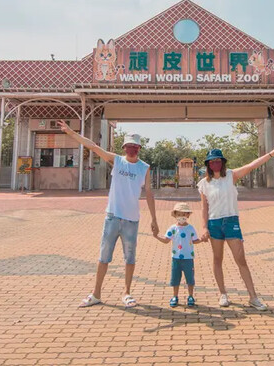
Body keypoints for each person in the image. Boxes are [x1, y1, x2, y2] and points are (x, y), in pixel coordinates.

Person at [56, 120, 159, 308]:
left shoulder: (144, 167)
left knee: (130, 258)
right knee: (103, 257)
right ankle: (96, 293)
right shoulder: (117, 161)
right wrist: (71, 132)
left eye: (134, 147)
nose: (131, 150)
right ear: (124, 148)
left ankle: (127, 293)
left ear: (139, 148)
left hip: (131, 220)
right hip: (112, 216)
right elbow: (93, 146)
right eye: (128, 147)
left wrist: (154, 219)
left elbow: (149, 193)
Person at [197, 143, 274, 311]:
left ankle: (253, 297)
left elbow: (252, 165)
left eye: (218, 160)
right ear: (208, 164)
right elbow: (204, 207)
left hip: (231, 221)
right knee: (217, 259)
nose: (215, 163)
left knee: (240, 259)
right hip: (214, 223)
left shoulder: (231, 175)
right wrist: (204, 227)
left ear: (222, 162)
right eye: (212, 161)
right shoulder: (203, 184)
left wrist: (271, 154)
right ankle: (223, 294)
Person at [153, 202, 204, 307]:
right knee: (175, 278)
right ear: (175, 215)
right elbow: (166, 240)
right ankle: (175, 296)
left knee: (190, 278)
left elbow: (195, 240)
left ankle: (190, 296)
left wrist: (202, 240)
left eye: (184, 214)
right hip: (176, 258)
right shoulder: (172, 228)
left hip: (188, 258)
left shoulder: (190, 228)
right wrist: (156, 236)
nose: (182, 217)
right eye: (179, 214)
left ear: (188, 215)